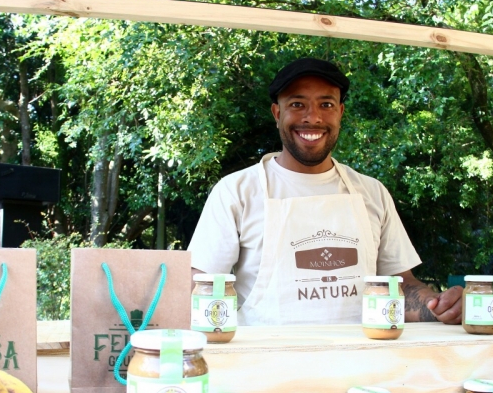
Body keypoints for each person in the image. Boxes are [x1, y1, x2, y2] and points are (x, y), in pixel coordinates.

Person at [187, 57, 462, 326]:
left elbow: (401, 287)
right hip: (268, 363)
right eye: (297, 104)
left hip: (365, 363)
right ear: (277, 113)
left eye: (326, 104)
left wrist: (440, 306)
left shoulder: (372, 192)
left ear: (340, 113)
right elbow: (198, 289)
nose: (313, 117)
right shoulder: (236, 192)